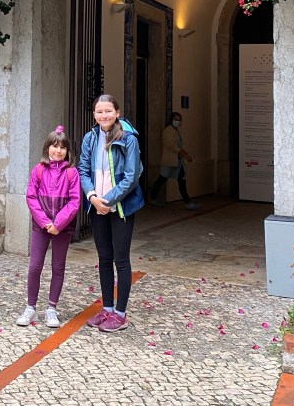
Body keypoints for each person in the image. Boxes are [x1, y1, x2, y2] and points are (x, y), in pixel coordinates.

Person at [78, 94, 144, 333]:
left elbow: (132, 175)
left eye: (108, 111)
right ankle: (107, 308)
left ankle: (120, 314)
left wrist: (107, 200)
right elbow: (83, 169)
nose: (103, 115)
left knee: (121, 259)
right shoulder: (90, 137)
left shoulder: (128, 138)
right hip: (96, 205)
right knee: (104, 258)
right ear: (94, 114)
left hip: (121, 207)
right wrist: (92, 197)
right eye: (99, 111)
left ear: (117, 112)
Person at [16, 125, 81, 328]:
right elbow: (31, 196)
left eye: (62, 147)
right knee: (35, 266)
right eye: (54, 146)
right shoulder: (38, 170)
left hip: (63, 227)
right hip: (41, 226)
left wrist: (58, 223)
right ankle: (31, 307)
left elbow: (74, 201)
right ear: (47, 148)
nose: (58, 151)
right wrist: (45, 222)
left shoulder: (71, 173)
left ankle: (51, 309)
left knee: (58, 267)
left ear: (67, 151)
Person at [149, 111, 200, 210]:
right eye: (175, 119)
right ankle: (152, 197)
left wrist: (184, 153)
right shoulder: (168, 130)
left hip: (177, 162)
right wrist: (184, 154)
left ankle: (187, 202)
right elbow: (171, 145)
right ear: (171, 120)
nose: (177, 121)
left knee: (181, 180)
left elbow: (178, 145)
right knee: (162, 179)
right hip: (170, 161)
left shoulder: (175, 131)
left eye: (179, 120)